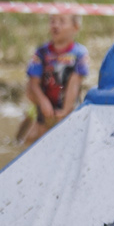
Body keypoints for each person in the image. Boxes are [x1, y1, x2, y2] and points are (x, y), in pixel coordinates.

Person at [21, 13, 89, 145]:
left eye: (62, 21)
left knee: (66, 141)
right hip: (42, 103)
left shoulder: (80, 54)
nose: (56, 25)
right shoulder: (41, 52)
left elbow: (75, 83)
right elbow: (33, 83)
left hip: (69, 106)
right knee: (31, 140)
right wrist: (42, 102)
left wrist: (65, 110)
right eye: (52, 21)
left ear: (75, 27)